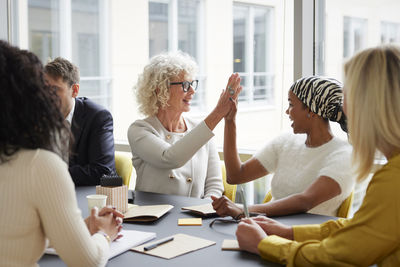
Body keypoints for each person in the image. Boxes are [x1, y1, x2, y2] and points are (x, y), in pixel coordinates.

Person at [235, 45, 400, 266]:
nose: (343, 107)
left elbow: (342, 255)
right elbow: (361, 227)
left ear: (370, 104)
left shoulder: (393, 179)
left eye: (348, 94)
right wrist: (290, 233)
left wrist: (262, 245)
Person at [0, 41, 122, 266]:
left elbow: (12, 234)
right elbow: (89, 261)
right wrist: (104, 234)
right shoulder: (40, 166)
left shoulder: (97, 116)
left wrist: (72, 228)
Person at [212, 76, 354, 218]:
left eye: (291, 105)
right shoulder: (286, 142)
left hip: (307, 238)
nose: (287, 111)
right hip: (266, 230)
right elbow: (236, 175)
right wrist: (230, 120)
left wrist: (244, 210)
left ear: (311, 110)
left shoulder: (344, 155)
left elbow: (305, 201)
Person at [128, 51, 241, 198]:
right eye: (185, 84)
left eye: (193, 84)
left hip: (194, 218)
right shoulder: (139, 130)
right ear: (161, 89)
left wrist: (203, 211)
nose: (193, 90)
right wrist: (218, 113)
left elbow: (214, 185)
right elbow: (170, 158)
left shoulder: (201, 130)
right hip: (152, 218)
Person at [44, 57, 116, 186]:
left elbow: (102, 171)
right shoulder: (39, 116)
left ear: (75, 90)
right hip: (46, 190)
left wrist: (52, 174)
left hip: (85, 194)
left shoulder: (98, 117)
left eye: (55, 90)